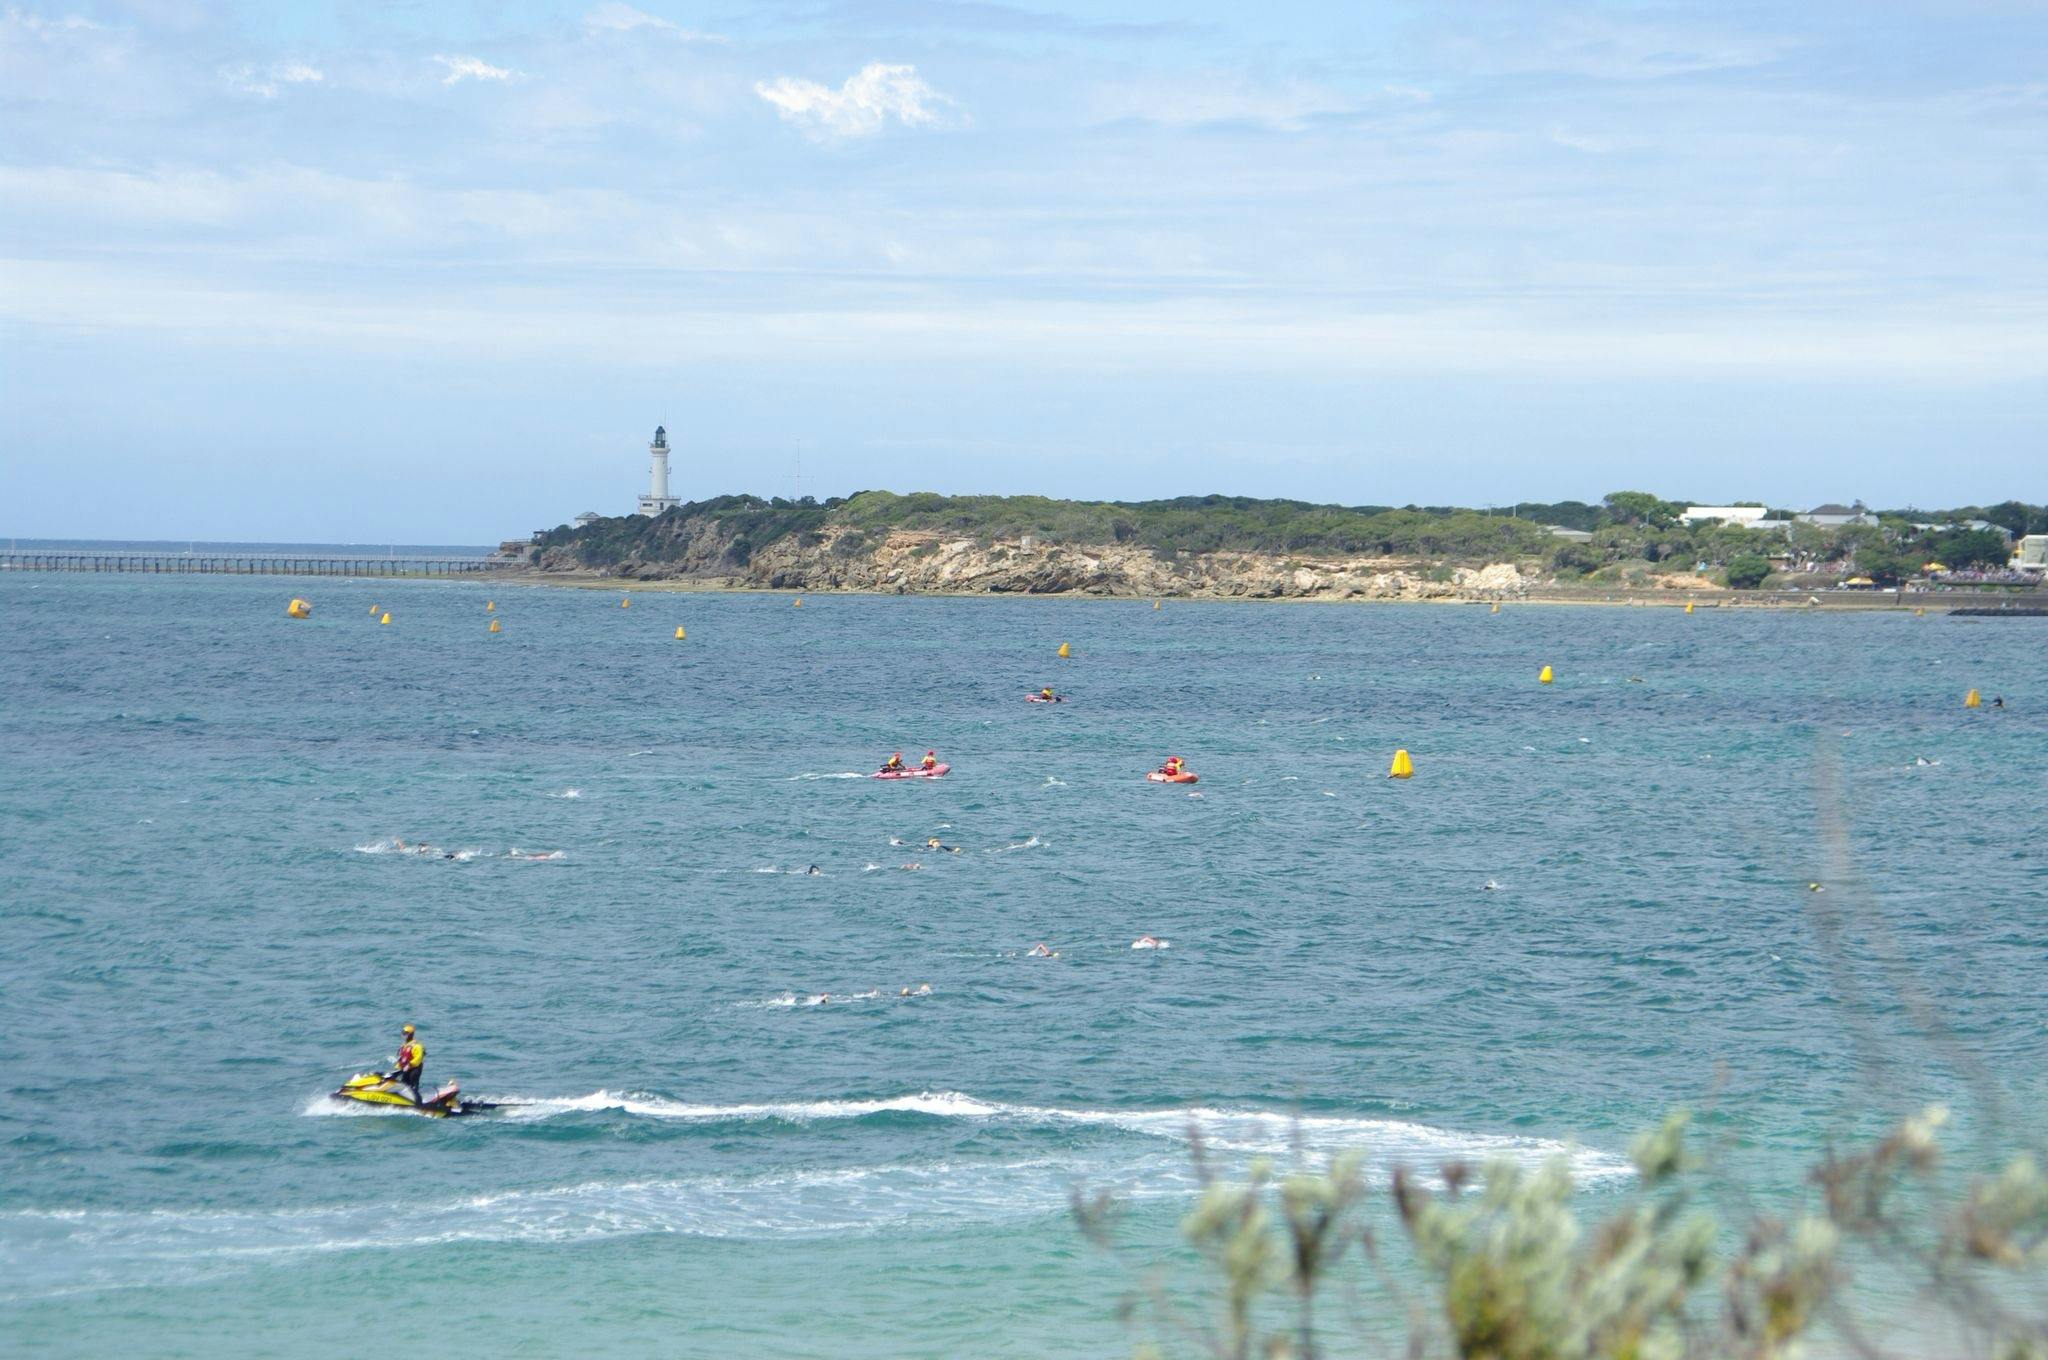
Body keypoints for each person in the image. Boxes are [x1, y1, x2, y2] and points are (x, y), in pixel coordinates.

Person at [392, 1024, 426, 1097]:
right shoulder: (404, 1046)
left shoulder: (417, 1046)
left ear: (410, 1034)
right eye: (403, 1033)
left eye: (405, 1034)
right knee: (403, 1085)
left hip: (415, 1069)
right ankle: (402, 1099)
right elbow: (402, 1058)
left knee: (413, 1085)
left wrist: (409, 1064)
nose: (403, 1035)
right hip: (405, 1069)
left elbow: (418, 1058)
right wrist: (397, 1069)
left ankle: (416, 1102)